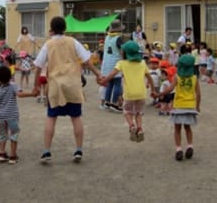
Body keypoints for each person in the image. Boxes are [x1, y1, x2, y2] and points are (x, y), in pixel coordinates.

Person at [33, 16, 102, 163]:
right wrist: (98, 75)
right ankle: (78, 150)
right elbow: (87, 61)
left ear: (51, 28)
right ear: (64, 28)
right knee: (76, 117)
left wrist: (36, 86)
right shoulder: (73, 42)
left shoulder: (48, 44)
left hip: (56, 85)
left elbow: (38, 66)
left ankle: (46, 151)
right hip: (72, 84)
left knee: (51, 117)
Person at [100, 40, 155, 142]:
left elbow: (112, 74)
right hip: (142, 94)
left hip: (129, 94)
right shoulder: (142, 63)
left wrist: (104, 80)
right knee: (138, 112)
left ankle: (132, 126)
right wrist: (153, 90)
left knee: (127, 112)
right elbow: (150, 78)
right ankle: (140, 129)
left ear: (126, 53)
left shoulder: (122, 63)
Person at [0, 65, 37, 164]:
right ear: (10, 76)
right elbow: (20, 94)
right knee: (14, 135)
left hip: (1, 117)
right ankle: (13, 156)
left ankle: (2, 153)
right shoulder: (13, 86)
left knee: (2, 135)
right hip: (12, 116)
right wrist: (32, 94)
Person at [156, 54, 201, 161]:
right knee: (187, 128)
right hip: (190, 106)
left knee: (177, 128)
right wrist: (197, 106)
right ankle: (190, 146)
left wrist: (159, 94)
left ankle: (178, 149)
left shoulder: (177, 77)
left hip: (178, 106)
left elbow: (170, 89)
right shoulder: (195, 78)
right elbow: (198, 94)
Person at [100, 20, 124, 113]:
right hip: (115, 63)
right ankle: (114, 103)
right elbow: (122, 50)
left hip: (107, 64)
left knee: (109, 84)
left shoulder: (107, 37)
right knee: (117, 84)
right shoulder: (118, 38)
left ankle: (107, 103)